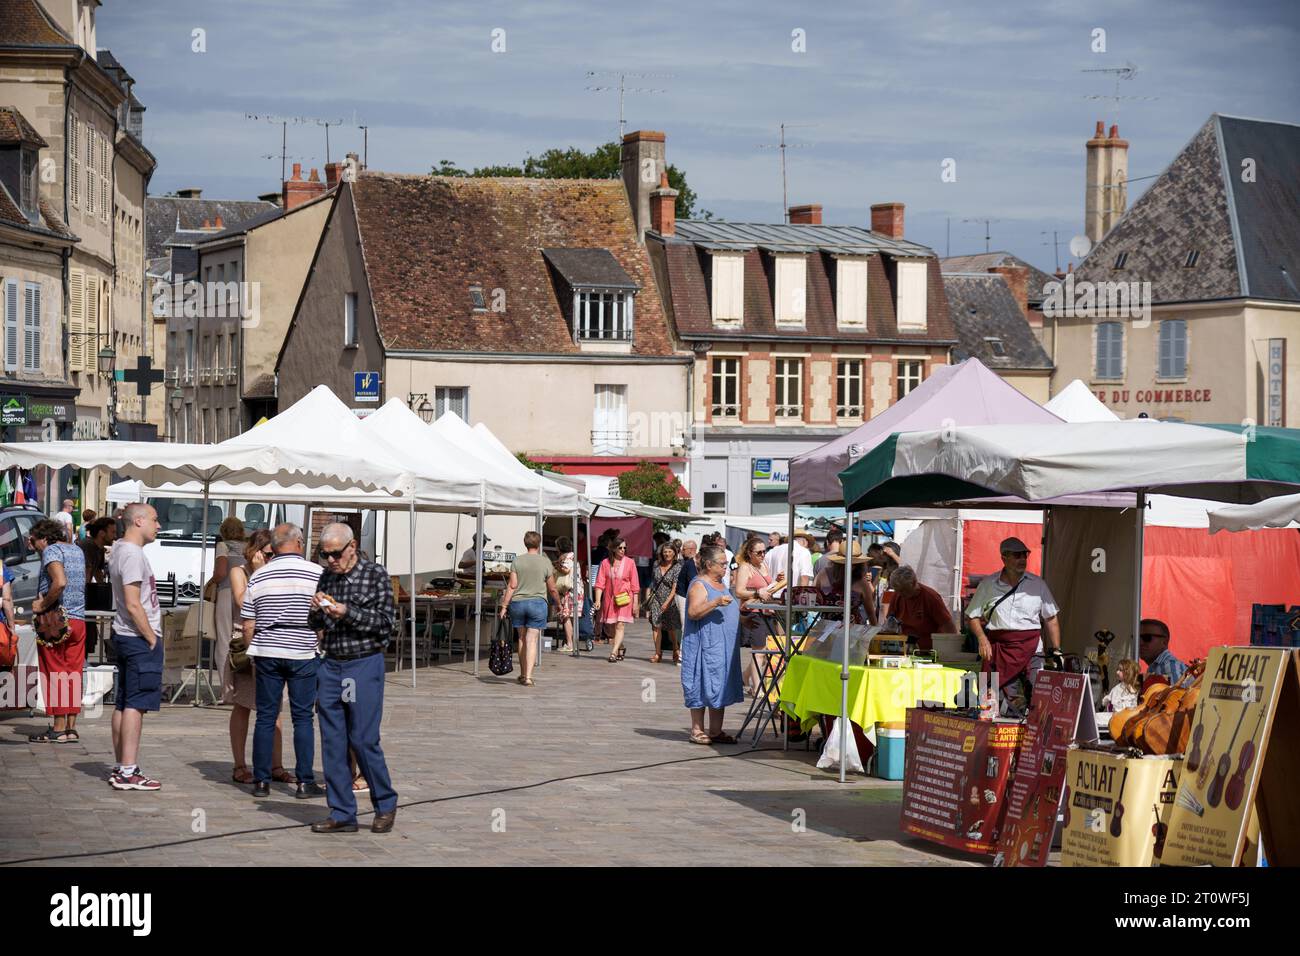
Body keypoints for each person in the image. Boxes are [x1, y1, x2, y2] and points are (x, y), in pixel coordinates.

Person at [308, 523, 399, 834]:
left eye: (335, 553)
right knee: (333, 741)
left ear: (352, 546)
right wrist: (318, 610)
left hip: (363, 663)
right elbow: (314, 623)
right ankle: (342, 811)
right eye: (325, 554)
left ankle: (385, 804)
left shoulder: (375, 574)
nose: (331, 560)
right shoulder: (327, 576)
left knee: (362, 738)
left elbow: (386, 623)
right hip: (331, 664)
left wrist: (346, 612)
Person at [241, 523, 325, 799]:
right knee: (303, 718)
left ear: (274, 547)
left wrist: (253, 649)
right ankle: (304, 781)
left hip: (267, 649)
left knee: (265, 717)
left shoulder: (259, 576)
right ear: (299, 543)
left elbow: (248, 624)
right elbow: (324, 617)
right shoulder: (317, 574)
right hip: (302, 651)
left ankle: (261, 781)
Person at [965, 536, 1063, 717]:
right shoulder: (988, 585)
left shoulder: (1038, 584)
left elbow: (1051, 618)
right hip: (999, 649)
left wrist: (1057, 650)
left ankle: (1034, 737)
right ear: (1004, 558)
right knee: (999, 700)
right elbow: (972, 616)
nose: (1022, 560)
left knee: (1038, 693)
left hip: (1032, 648)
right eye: (1017, 556)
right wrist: (982, 639)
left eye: (1024, 555)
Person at [223, 530, 290, 786]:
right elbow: (244, 602)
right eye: (269, 553)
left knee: (274, 707)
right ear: (256, 550)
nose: (272, 558)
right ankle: (240, 765)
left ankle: (276, 764)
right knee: (243, 705)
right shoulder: (239, 571)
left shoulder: (275, 571)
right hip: (245, 642)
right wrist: (262, 573)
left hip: (273, 641)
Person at [107, 503, 164, 790]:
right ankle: (128, 770)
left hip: (128, 636)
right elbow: (132, 602)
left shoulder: (122, 549)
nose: (158, 525)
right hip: (137, 638)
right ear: (138, 521)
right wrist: (151, 637)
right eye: (155, 519)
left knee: (125, 702)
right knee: (135, 704)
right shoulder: (129, 553)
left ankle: (122, 766)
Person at [26, 518, 87, 743]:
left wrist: (41, 605)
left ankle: (59, 728)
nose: (32, 547)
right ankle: (71, 728)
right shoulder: (76, 550)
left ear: (44, 538)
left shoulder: (51, 550)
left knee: (55, 673)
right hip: (79, 619)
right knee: (73, 673)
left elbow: (59, 582)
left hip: (56, 620)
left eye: (32, 541)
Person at [681, 544, 743, 745]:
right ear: (708, 564)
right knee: (701, 682)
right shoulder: (699, 584)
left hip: (722, 646)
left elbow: (727, 611)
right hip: (705, 644)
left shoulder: (721, 583)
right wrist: (714, 603)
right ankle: (697, 729)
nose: (727, 567)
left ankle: (716, 730)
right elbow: (693, 612)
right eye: (722, 564)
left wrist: (743, 621)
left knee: (720, 684)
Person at [498, 531, 559, 686]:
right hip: (538, 604)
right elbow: (552, 588)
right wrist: (558, 603)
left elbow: (512, 586)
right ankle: (529, 677)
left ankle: (522, 673)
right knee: (531, 640)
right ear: (538, 544)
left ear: (525, 543)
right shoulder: (545, 562)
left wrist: (504, 606)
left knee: (521, 639)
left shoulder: (517, 561)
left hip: (518, 603)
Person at [733, 535, 784, 697]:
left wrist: (776, 581)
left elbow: (765, 587)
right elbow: (739, 591)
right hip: (754, 611)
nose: (762, 555)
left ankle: (745, 676)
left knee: (766, 650)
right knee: (760, 652)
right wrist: (757, 592)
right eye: (759, 552)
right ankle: (756, 687)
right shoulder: (745, 568)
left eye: (764, 551)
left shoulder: (764, 565)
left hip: (767, 610)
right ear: (749, 553)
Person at [887, 565, 956, 651]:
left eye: (904, 590)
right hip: (904, 648)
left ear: (914, 582)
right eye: (897, 590)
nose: (900, 594)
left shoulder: (931, 597)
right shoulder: (897, 595)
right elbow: (890, 622)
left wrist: (950, 650)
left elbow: (947, 625)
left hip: (928, 649)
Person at [593, 536, 638, 663]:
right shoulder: (605, 563)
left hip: (624, 599)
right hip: (610, 599)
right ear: (613, 549)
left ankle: (613, 653)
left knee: (620, 625)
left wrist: (635, 602)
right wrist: (597, 600)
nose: (623, 550)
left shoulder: (630, 562)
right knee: (611, 626)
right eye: (620, 548)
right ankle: (620, 647)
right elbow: (600, 583)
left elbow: (635, 584)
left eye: (625, 548)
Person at [814, 540, 879, 625]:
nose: (851, 566)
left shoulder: (862, 581)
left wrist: (874, 633)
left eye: (855, 564)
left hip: (852, 630)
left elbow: (870, 612)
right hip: (827, 629)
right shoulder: (823, 574)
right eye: (846, 564)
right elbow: (813, 596)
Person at [78, 516, 116, 659]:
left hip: (89, 598)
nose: (115, 536)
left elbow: (97, 571)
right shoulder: (87, 546)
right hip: (82, 598)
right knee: (85, 635)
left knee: (89, 636)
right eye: (112, 532)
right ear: (102, 533)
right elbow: (87, 571)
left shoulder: (99, 549)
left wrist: (104, 588)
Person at [647, 542, 683, 664]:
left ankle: (675, 649)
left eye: (670, 551)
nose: (667, 554)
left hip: (671, 600)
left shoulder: (677, 567)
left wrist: (667, 602)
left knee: (671, 628)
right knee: (656, 626)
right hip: (657, 599)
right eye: (665, 551)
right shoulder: (657, 565)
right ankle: (657, 653)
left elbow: (675, 588)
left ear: (674, 553)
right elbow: (653, 583)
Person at [552, 535, 582, 654]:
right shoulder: (573, 556)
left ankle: (570, 644)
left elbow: (566, 570)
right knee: (571, 617)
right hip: (577, 590)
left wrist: (556, 565)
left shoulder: (568, 557)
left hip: (569, 591)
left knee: (566, 617)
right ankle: (572, 643)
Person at [1139, 618, 1187, 683]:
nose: (1140, 642)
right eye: (1138, 638)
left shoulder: (1168, 667)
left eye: (1147, 637)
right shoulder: (1157, 667)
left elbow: (1175, 693)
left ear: (1164, 641)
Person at [675, 539, 699, 628]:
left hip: (685, 596)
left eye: (683, 549)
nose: (681, 551)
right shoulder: (690, 562)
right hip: (683, 596)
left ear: (691, 550)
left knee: (685, 624)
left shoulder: (690, 563)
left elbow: (693, 580)